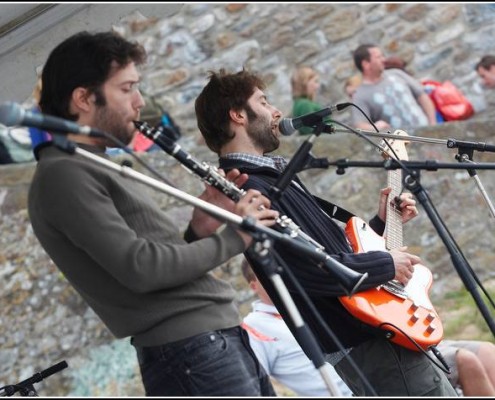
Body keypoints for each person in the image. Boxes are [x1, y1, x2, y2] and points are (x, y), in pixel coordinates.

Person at [27, 31, 281, 397]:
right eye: (127, 88)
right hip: (192, 350)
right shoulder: (64, 174)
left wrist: (199, 229)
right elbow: (141, 268)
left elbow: (155, 264)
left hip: (208, 341)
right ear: (83, 98)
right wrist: (238, 235)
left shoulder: (90, 163)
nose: (139, 102)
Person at [194, 68, 457, 396]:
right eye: (263, 101)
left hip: (369, 328)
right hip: (362, 334)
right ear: (238, 115)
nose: (277, 111)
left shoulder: (269, 176)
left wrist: (379, 224)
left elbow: (325, 251)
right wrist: (386, 266)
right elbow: (305, 273)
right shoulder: (250, 188)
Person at [240, 258, 353, 397]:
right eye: (264, 274)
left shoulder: (308, 303)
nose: (275, 276)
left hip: (367, 381)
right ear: (254, 286)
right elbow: (253, 384)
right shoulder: (252, 327)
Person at [351, 43, 437, 131]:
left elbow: (422, 96)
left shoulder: (397, 74)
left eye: (382, 56)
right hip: (403, 143)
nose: (383, 60)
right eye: (378, 57)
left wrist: (433, 123)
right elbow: (360, 125)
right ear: (366, 64)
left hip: (427, 134)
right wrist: (374, 127)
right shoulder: (360, 96)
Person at [290, 66, 327, 135]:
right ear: (304, 83)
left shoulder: (300, 102)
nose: (318, 86)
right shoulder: (304, 104)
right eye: (315, 81)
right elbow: (313, 131)